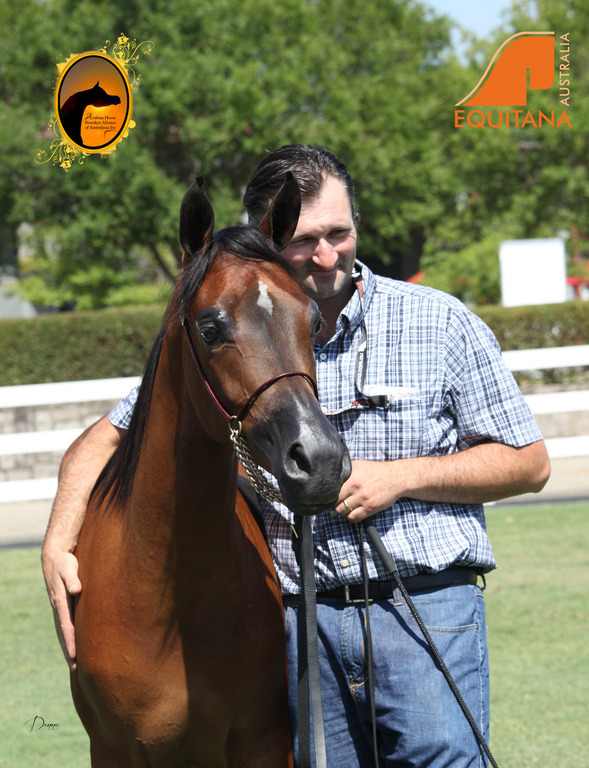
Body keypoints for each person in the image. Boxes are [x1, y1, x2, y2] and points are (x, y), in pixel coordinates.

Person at [42, 145, 550, 767]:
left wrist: (402, 477)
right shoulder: (248, 327)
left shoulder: (440, 321)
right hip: (304, 622)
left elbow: (529, 461)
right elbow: (113, 432)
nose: (328, 253)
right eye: (307, 238)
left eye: (340, 232)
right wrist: (59, 538)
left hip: (424, 607)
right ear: (272, 237)